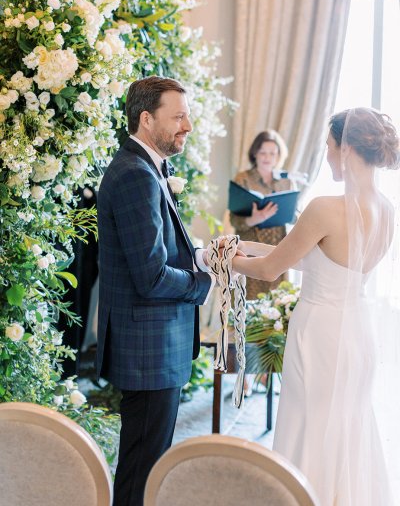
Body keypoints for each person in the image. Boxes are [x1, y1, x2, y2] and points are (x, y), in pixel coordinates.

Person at [230, 108, 400, 505]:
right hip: (357, 332)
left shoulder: (325, 207)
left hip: (320, 333)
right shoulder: (388, 210)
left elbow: (273, 269)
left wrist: (218, 259)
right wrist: (246, 246)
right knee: (345, 427)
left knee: (309, 424)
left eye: (328, 145)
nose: (325, 153)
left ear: (346, 149)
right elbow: (313, 259)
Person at [96, 76, 214, 506]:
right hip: (148, 348)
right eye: (178, 116)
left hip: (153, 345)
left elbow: (156, 253)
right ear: (146, 119)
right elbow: (151, 277)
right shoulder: (136, 176)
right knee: (141, 469)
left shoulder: (146, 168)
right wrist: (204, 280)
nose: (188, 125)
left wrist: (199, 257)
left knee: (147, 462)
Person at [229, 130, 293, 299]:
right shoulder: (242, 179)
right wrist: (254, 219)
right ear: (255, 153)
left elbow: (292, 215)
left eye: (272, 153)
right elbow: (234, 220)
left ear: (279, 155)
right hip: (250, 246)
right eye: (263, 152)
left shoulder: (286, 181)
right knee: (249, 300)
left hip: (278, 247)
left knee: (276, 302)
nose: (267, 157)